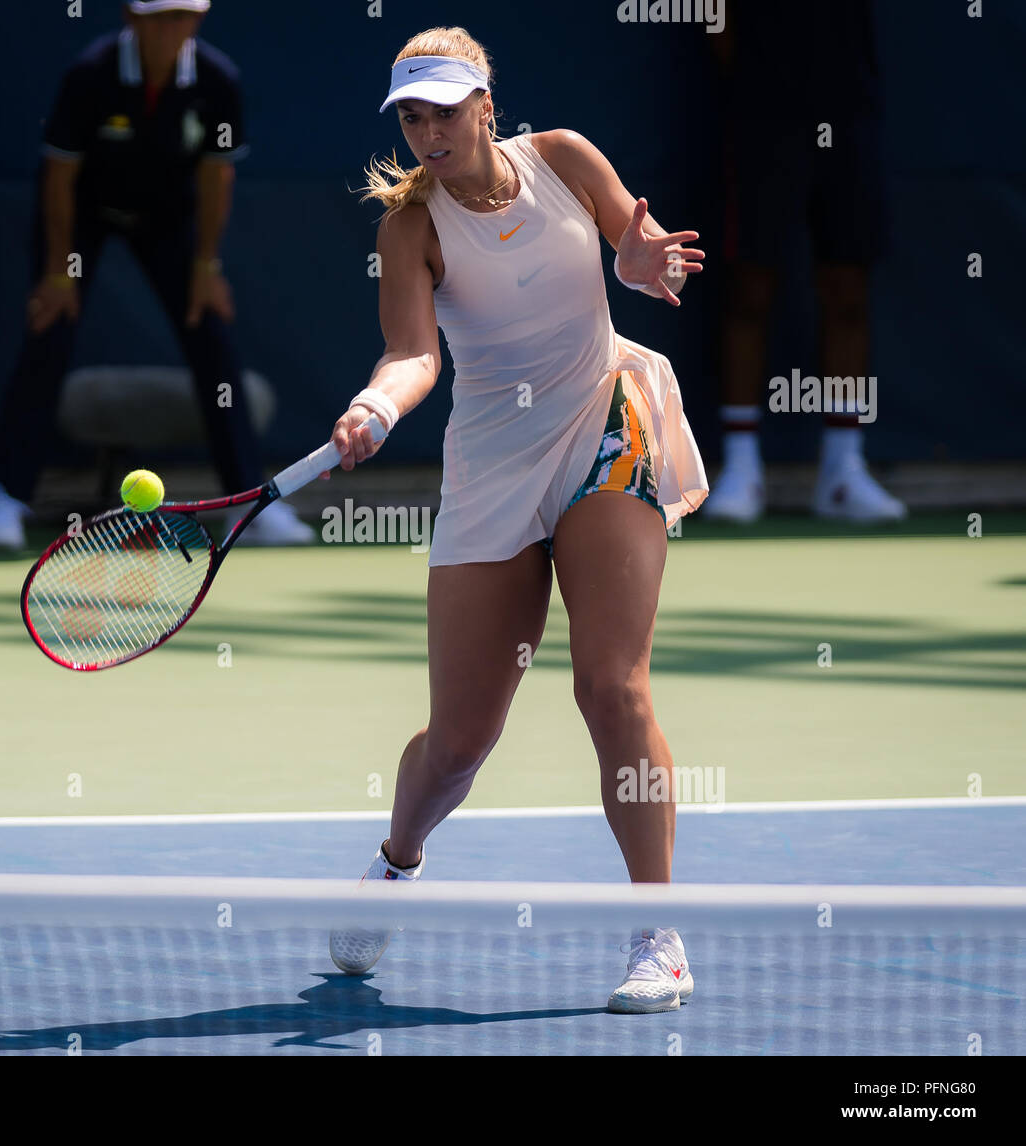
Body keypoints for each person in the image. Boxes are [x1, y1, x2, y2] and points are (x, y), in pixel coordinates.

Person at [325, 27, 708, 1014]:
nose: (428, 130)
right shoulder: (410, 228)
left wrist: (647, 257)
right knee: (458, 740)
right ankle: (397, 859)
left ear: (487, 104)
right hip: (493, 465)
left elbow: (627, 249)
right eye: (411, 115)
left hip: (602, 426)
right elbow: (414, 356)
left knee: (609, 688)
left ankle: (657, 934)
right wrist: (376, 406)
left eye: (445, 109)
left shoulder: (565, 159)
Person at [0, 0, 311, 549]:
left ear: (197, 21)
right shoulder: (90, 74)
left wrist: (206, 266)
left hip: (167, 218)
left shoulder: (217, 80)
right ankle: (6, 499)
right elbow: (59, 176)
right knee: (49, 334)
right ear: (131, 18)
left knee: (211, 338)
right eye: (157, 17)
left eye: (181, 16)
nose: (169, 29)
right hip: (81, 213)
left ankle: (249, 504)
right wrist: (59, 272)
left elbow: (215, 176)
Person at [705, 0, 904, 523]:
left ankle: (842, 471)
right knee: (750, 285)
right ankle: (741, 469)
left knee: (848, 288)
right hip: (762, 114)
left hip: (850, 107)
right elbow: (716, 18)